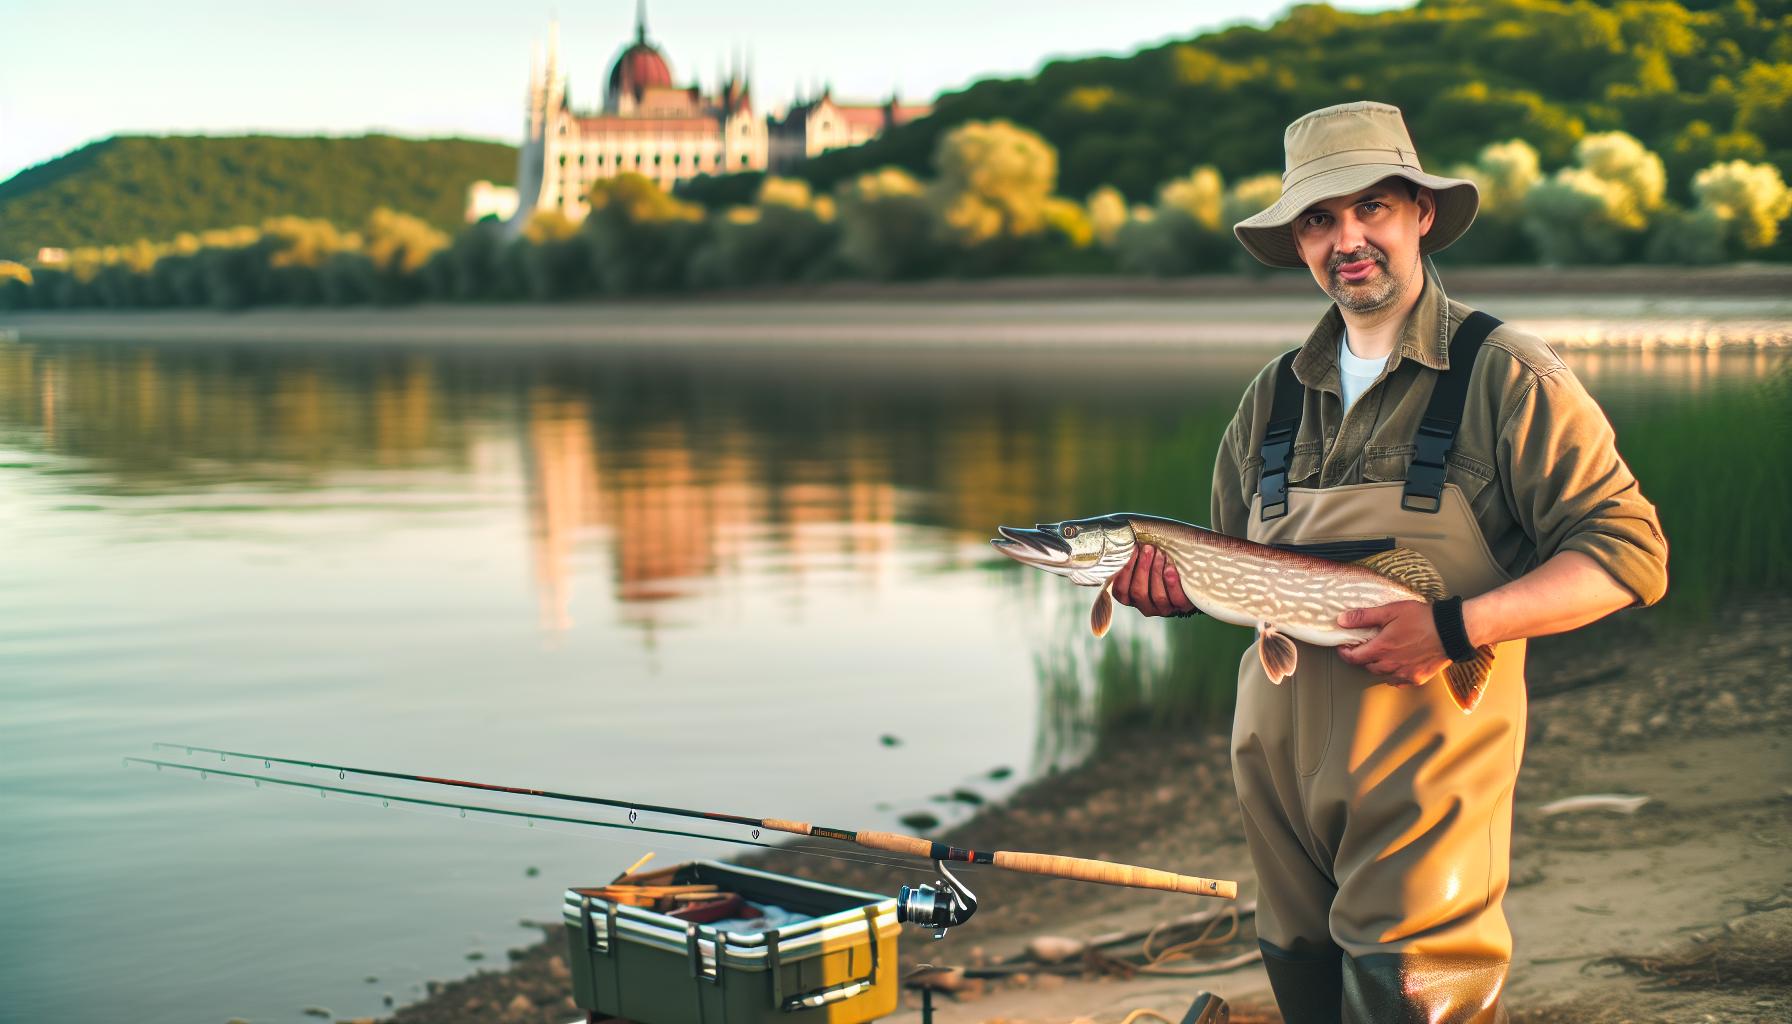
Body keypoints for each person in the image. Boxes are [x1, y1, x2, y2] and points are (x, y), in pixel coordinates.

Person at [1109, 101, 1669, 1023]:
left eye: (1371, 207)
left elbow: (1632, 554)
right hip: (1277, 785)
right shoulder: (1270, 398)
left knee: (1410, 998)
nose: (1348, 239)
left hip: (1423, 789)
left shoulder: (1508, 374)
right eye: (1321, 219)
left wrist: (1454, 626)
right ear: (1298, 242)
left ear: (1418, 212)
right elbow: (1221, 564)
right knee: (1306, 995)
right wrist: (1164, 592)